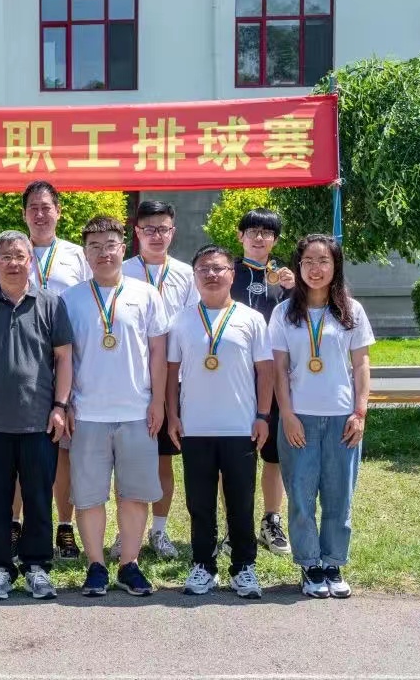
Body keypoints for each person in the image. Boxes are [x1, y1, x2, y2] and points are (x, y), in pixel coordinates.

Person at [0, 230, 74, 601]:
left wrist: (60, 406)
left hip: (39, 421)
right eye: (5, 257)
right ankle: (0, 569)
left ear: (31, 261)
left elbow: (64, 358)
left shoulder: (52, 304)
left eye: (19, 256)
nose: (13, 263)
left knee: (38, 497)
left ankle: (37, 567)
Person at [63, 217, 168, 597]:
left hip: (137, 412)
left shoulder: (146, 294)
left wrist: (158, 401)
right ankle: (95, 565)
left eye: (110, 245)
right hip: (87, 413)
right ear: (85, 253)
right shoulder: (70, 299)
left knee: (135, 494)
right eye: (95, 246)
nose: (103, 253)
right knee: (89, 495)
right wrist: (66, 403)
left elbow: (158, 353)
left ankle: (129, 564)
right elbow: (63, 358)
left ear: (123, 248)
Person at [269, 234, 373, 599]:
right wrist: (288, 415)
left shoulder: (351, 311)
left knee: (338, 496)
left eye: (324, 261)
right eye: (308, 261)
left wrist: (360, 412)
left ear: (335, 266)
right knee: (300, 496)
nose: (316, 269)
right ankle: (310, 564)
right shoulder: (284, 313)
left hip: (342, 418)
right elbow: (279, 371)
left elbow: (361, 365)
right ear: (298, 267)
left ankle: (333, 562)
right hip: (299, 419)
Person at [166, 245, 273, 599]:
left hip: (240, 427)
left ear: (232, 273)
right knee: (199, 503)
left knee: (241, 501)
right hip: (194, 427)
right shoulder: (181, 321)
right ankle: (203, 565)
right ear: (195, 276)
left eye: (219, 268)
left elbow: (266, 371)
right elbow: (170, 373)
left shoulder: (251, 319)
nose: (211, 274)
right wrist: (172, 415)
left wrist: (262, 415)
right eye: (204, 269)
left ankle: (244, 567)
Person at [17, 180, 91, 562]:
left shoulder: (77, 255)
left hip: (66, 360)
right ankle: (15, 524)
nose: (40, 214)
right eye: (33, 207)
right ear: (24, 214)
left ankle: (64, 526)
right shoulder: (13, 251)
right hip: (22, 363)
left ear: (58, 211)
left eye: (46, 207)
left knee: (64, 447)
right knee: (18, 445)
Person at [121, 200, 198, 560]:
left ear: (173, 232)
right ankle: (126, 532)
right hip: (132, 377)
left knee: (164, 458)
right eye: (148, 229)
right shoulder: (122, 271)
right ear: (137, 232)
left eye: (163, 229)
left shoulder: (187, 274)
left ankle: (160, 530)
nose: (156, 235)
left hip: (175, 378)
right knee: (129, 460)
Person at [224, 207, 296, 556]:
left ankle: (271, 521)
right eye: (252, 230)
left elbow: (300, 320)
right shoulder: (226, 272)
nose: (258, 237)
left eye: (266, 232)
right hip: (234, 376)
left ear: (275, 240)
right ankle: (233, 527)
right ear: (240, 236)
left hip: (274, 374)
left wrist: (293, 290)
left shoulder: (285, 276)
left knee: (273, 454)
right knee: (233, 455)